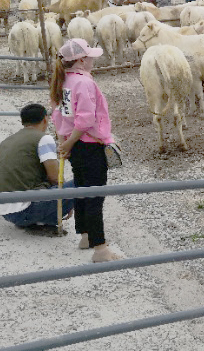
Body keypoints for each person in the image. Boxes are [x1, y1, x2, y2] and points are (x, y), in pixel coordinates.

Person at [51, 39, 120, 262]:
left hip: (74, 144)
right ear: (81, 60)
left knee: (81, 188)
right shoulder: (84, 83)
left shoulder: (62, 81)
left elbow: (58, 115)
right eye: (89, 56)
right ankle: (100, 248)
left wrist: (65, 142)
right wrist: (69, 143)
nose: (92, 60)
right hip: (88, 143)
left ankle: (85, 235)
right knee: (95, 194)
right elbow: (85, 119)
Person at [0, 104, 76, 231]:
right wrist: (67, 203)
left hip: (5, 211)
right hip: (24, 211)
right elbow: (55, 177)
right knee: (82, 181)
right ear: (45, 119)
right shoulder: (44, 139)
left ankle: (41, 222)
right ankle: (44, 220)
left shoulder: (8, 140)